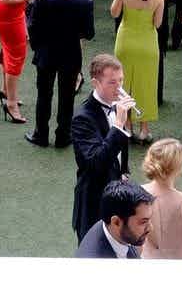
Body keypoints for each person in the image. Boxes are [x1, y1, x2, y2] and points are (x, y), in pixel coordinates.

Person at [25, 0, 95, 148]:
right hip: (70, 55)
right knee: (66, 98)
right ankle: (63, 136)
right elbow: (88, 33)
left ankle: (41, 134)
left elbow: (32, 25)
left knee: (44, 95)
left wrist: (38, 47)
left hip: (45, 53)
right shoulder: (85, 1)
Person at [71, 52, 135, 240]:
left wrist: (124, 171)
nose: (119, 88)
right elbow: (96, 162)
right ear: (95, 83)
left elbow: (120, 149)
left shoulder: (117, 106)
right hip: (94, 203)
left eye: (121, 81)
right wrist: (117, 126)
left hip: (117, 197)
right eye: (112, 82)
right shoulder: (82, 118)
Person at [110, 0, 164, 142]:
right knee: (147, 84)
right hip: (148, 43)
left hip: (126, 41)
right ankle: (144, 128)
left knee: (123, 83)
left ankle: (127, 125)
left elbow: (114, 12)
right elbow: (157, 23)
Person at [75, 179, 154, 259]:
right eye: (143, 222)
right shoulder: (94, 263)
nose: (150, 228)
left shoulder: (115, 231)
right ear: (116, 222)